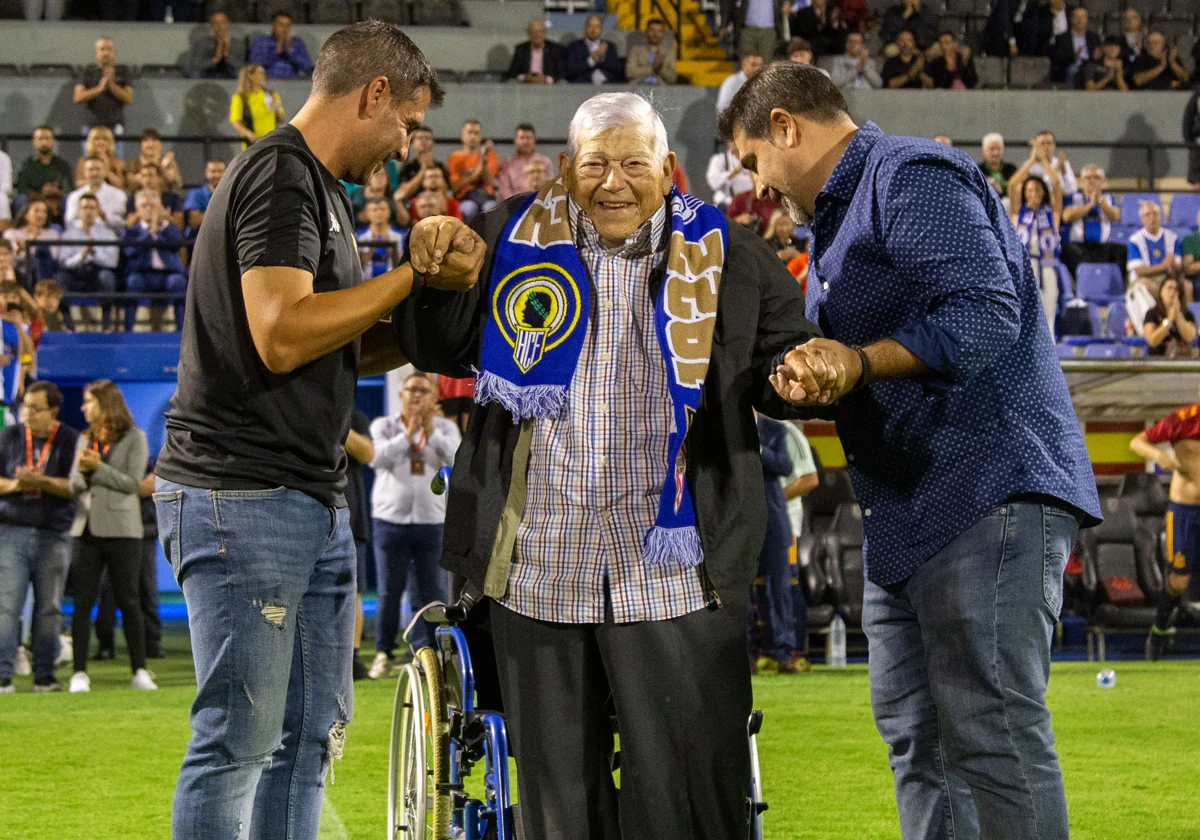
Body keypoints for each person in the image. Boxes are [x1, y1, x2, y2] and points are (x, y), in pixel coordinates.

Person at [392, 90, 821, 840]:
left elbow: (785, 363)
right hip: (536, 571)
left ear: (667, 168)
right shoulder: (505, 237)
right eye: (595, 164)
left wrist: (804, 371)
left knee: (686, 804)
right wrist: (438, 278)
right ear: (564, 169)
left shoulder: (733, 256)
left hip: (674, 577)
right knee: (559, 811)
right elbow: (437, 347)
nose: (613, 182)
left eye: (633, 163)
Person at [719, 62, 1100, 840]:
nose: (757, 185)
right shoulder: (844, 214)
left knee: (989, 735)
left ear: (786, 126)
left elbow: (985, 312)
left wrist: (856, 362)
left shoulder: (908, 172)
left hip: (985, 486)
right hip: (910, 509)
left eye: (754, 160)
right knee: (919, 743)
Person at [152, 21, 482, 839]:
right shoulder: (281, 174)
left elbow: (331, 345)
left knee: (308, 742)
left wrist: (430, 319)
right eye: (407, 121)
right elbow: (282, 331)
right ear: (374, 95)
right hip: (242, 493)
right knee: (238, 741)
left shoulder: (321, 190)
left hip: (304, 494)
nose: (406, 145)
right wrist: (411, 274)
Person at [367, 372, 460, 678]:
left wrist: (430, 431)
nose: (417, 396)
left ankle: (428, 653)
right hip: (390, 520)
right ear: (401, 394)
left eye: (423, 390)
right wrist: (409, 434)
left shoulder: (446, 428)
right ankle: (384, 652)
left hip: (432, 521)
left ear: (434, 397)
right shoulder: (384, 425)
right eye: (411, 390)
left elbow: (455, 461)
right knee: (389, 591)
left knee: (432, 591)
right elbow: (377, 458)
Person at [67, 379, 155, 693]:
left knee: (130, 601)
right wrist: (84, 472)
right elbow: (73, 485)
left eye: (88, 401)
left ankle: (140, 670)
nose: (83, 407)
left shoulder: (136, 438)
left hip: (123, 530)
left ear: (105, 403)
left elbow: (133, 483)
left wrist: (97, 467)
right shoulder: (84, 438)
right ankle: (78, 672)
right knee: (82, 602)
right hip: (85, 529)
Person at [0, 381, 79, 694]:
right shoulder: (10, 436)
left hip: (54, 534)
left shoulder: (70, 439)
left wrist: (42, 481)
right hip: (11, 531)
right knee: (7, 606)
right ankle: (3, 677)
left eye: (35, 408)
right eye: (25, 407)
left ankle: (44, 677)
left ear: (54, 411)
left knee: (49, 608)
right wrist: (17, 485)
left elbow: (75, 486)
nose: (27, 414)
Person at [1130, 395, 1200, 659]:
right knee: (1178, 581)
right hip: (1185, 509)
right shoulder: (1184, 420)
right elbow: (1137, 442)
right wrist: (1159, 455)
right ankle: (1159, 630)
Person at [752, 414, 799, 673]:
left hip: (774, 523)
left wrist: (757, 447)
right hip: (741, 523)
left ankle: (784, 654)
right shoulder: (726, 428)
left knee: (780, 591)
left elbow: (785, 465)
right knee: (742, 594)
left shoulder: (775, 429)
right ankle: (745, 655)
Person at [779, 420, 818, 666]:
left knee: (788, 584)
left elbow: (809, 479)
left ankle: (796, 651)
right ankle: (768, 651)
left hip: (786, 526)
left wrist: (769, 497)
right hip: (754, 523)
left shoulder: (787, 431)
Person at [1007, 161, 1061, 335]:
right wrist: (1032, 158)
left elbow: (1057, 183)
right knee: (1025, 311)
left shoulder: (1052, 212)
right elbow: (1013, 183)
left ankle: (1050, 346)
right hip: (1026, 266)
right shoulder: (1019, 212)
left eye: (1038, 189)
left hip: (1047, 264)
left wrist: (1044, 160)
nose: (1034, 194)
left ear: (1044, 191)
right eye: (1030, 190)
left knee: (1048, 309)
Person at [123, 191, 188, 332]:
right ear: (137, 210)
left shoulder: (171, 229)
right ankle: (128, 330)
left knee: (178, 282)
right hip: (142, 274)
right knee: (132, 282)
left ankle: (182, 331)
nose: (148, 209)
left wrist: (157, 231)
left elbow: (175, 245)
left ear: (160, 208)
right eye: (144, 206)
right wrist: (149, 233)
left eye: (152, 205)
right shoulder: (132, 231)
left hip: (168, 274)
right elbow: (130, 251)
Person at [57, 194, 120, 331]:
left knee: (107, 277)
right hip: (75, 273)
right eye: (85, 207)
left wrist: (94, 252)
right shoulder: (69, 235)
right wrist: (81, 255)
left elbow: (112, 262)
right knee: (60, 279)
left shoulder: (108, 234)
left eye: (92, 208)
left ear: (98, 211)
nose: (88, 211)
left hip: (98, 272)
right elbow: (63, 262)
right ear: (78, 211)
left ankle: (106, 326)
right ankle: (69, 326)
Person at [344, 410, 374, 681]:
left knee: (350, 590)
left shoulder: (352, 415)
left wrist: (332, 420)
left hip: (349, 514)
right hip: (302, 511)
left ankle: (352, 658)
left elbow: (367, 453)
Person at [1061, 164, 1123, 276]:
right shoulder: (1074, 197)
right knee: (1068, 250)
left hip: (1102, 247)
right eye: (1088, 178)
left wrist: (1100, 202)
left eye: (1096, 177)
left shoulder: (1108, 198)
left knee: (1122, 251)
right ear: (1081, 181)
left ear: (1103, 181)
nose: (1092, 181)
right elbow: (1067, 216)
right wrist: (1090, 205)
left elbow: (1115, 216)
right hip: (1079, 246)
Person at [74, 37, 133, 137]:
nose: (106, 53)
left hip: (115, 126)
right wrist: (99, 88)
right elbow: (78, 97)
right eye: (102, 49)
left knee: (116, 153)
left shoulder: (123, 71)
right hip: (91, 126)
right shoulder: (87, 70)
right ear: (96, 53)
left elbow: (128, 98)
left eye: (109, 49)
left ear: (115, 53)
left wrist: (111, 85)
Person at [14, 127, 73, 219]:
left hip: (57, 200)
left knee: (69, 199)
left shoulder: (63, 165)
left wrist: (55, 192)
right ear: (34, 142)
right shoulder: (26, 164)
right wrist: (43, 195)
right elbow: (23, 188)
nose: (44, 142)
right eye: (40, 139)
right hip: (34, 200)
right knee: (20, 200)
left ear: (53, 141)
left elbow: (68, 189)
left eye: (47, 138)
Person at [447, 120, 500, 220]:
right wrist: (476, 173)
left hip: (486, 197)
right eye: (469, 132)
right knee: (470, 208)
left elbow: (489, 181)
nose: (473, 136)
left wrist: (483, 161)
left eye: (476, 133)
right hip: (464, 198)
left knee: (490, 208)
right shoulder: (454, 157)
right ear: (462, 136)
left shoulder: (490, 155)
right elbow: (455, 186)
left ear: (480, 137)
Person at [1127, 200, 1182, 293]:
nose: (1152, 218)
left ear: (1160, 216)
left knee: (1186, 285)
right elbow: (1139, 271)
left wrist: (1174, 265)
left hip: (1167, 279)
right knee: (1147, 286)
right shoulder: (1135, 240)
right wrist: (1163, 267)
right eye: (1147, 215)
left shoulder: (1172, 238)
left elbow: (1179, 266)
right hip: (1144, 279)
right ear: (1142, 219)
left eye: (1155, 214)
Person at [4, 199, 60, 287]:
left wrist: (30, 247)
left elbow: (54, 256)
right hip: (20, 270)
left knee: (40, 257)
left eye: (44, 212)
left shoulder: (52, 233)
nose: (41, 215)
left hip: (47, 269)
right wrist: (21, 249)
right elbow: (10, 259)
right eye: (36, 211)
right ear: (25, 214)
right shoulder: (12, 233)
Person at [230, 63, 286, 150]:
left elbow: (281, 120)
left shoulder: (271, 95)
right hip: (252, 144)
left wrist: (276, 109)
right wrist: (249, 134)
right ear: (251, 76)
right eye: (260, 73)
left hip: (271, 141)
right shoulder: (240, 98)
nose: (264, 76)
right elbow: (236, 122)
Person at [66, 157, 126, 232]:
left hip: (109, 239)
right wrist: (86, 223)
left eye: (98, 169)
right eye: (90, 169)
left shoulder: (118, 195)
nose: (95, 173)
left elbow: (122, 224)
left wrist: (104, 217)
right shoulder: (74, 196)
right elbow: (69, 223)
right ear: (84, 172)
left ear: (105, 171)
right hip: (81, 238)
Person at [391, 126, 449, 203]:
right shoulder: (407, 167)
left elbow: (447, 191)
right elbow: (403, 192)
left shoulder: (440, 166)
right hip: (412, 203)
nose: (424, 141)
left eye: (427, 138)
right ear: (413, 143)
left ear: (433, 143)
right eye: (420, 138)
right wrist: (423, 169)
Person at [247, 12, 313, 79]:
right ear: (273, 26)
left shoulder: (297, 42)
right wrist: (275, 53)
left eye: (287, 26)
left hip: (292, 82)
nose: (285, 29)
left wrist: (291, 53)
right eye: (281, 25)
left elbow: (308, 67)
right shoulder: (261, 41)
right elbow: (253, 65)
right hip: (267, 80)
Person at [1141, 276, 1196, 357]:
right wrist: (1169, 319)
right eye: (1169, 288)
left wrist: (1178, 315)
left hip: (1182, 360)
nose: (1173, 292)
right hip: (1158, 360)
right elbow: (1152, 341)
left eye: (1176, 289)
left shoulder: (1187, 314)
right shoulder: (1152, 313)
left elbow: (1189, 337)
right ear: (1161, 292)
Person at [498, 124, 554, 200]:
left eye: (529, 138)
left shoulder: (545, 162)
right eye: (522, 138)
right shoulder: (506, 163)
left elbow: (551, 187)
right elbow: (504, 191)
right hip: (515, 205)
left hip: (542, 203)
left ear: (534, 140)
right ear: (515, 140)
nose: (525, 141)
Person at [565, 15, 625, 84]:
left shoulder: (610, 46)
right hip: (583, 86)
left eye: (597, 27)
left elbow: (618, 70)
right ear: (585, 28)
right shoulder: (575, 46)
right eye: (590, 26)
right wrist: (591, 60)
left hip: (608, 86)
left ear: (601, 29)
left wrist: (602, 58)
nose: (593, 30)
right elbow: (571, 70)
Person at [356, 197, 406, 280]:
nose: (379, 213)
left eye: (382, 209)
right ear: (367, 213)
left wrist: (391, 251)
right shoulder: (358, 235)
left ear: (389, 211)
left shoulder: (400, 235)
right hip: (365, 284)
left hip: (393, 281)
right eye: (374, 210)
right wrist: (370, 251)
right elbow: (355, 265)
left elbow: (404, 264)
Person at [721, 0, 784, 65]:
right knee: (747, 62)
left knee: (766, 63)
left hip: (768, 30)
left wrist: (787, 3)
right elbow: (729, 4)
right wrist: (724, 24)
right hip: (747, 29)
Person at [1050, 6, 1099, 88]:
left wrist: (1097, 56)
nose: (1080, 20)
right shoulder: (1062, 38)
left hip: (1088, 65)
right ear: (1071, 19)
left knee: (1092, 69)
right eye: (1077, 17)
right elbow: (1059, 59)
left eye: (1083, 17)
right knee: (1072, 70)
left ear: (1087, 20)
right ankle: (1070, 97)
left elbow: (1096, 56)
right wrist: (1075, 55)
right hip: (1070, 65)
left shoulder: (1094, 37)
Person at [124, 163, 183, 230]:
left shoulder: (173, 198)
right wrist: (141, 213)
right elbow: (128, 224)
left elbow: (180, 225)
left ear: (159, 178)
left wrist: (163, 214)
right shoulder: (133, 199)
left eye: (151, 175)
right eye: (144, 176)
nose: (147, 179)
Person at [506, 18, 567, 84]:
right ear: (528, 34)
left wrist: (546, 79)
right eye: (533, 32)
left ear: (545, 33)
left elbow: (562, 73)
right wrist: (524, 77)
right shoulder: (521, 49)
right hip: (525, 84)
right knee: (511, 82)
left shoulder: (555, 49)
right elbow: (512, 73)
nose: (537, 35)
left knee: (562, 82)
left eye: (540, 32)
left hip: (549, 85)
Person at [187, 11, 245, 79]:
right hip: (207, 74)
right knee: (194, 73)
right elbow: (196, 65)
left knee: (241, 73)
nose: (219, 26)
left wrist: (226, 55)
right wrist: (215, 59)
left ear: (227, 24)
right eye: (215, 23)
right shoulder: (203, 43)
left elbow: (242, 66)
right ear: (211, 25)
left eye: (222, 22)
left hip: (230, 74)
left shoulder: (238, 44)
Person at [126, 128, 184, 194]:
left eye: (154, 140)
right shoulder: (133, 163)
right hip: (140, 199)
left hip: (164, 199)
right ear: (141, 144)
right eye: (146, 140)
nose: (150, 144)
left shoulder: (168, 162)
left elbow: (176, 185)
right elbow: (129, 187)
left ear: (160, 143)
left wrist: (163, 168)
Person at [626, 19, 678, 85]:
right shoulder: (636, 50)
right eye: (652, 30)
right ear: (647, 32)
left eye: (659, 31)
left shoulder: (669, 53)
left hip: (660, 88)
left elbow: (673, 78)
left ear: (663, 34)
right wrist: (652, 68)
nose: (655, 34)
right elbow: (629, 72)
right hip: (639, 86)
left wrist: (660, 69)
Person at [707, 140, 755, 210]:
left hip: (751, 205)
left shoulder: (754, 159)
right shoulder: (720, 159)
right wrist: (735, 171)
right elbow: (713, 182)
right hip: (727, 206)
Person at [73, 127, 126, 191]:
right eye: (97, 139)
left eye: (105, 139)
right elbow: (78, 184)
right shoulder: (83, 161)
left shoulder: (118, 162)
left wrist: (107, 172)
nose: (101, 142)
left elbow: (121, 186)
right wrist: (96, 182)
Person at [182, 160, 227, 232]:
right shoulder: (195, 194)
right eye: (213, 171)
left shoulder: (231, 194)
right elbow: (194, 221)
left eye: (220, 171)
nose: (217, 175)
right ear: (206, 172)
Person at [978, 132, 1016, 198]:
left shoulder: (1011, 169)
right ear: (983, 151)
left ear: (1003, 150)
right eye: (991, 149)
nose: (995, 153)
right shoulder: (978, 170)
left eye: (998, 149)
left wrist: (1001, 191)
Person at [1185, 86, 1200, 188]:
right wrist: (1190, 142)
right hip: (1198, 144)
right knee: (1196, 183)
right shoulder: (1198, 93)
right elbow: (1188, 117)